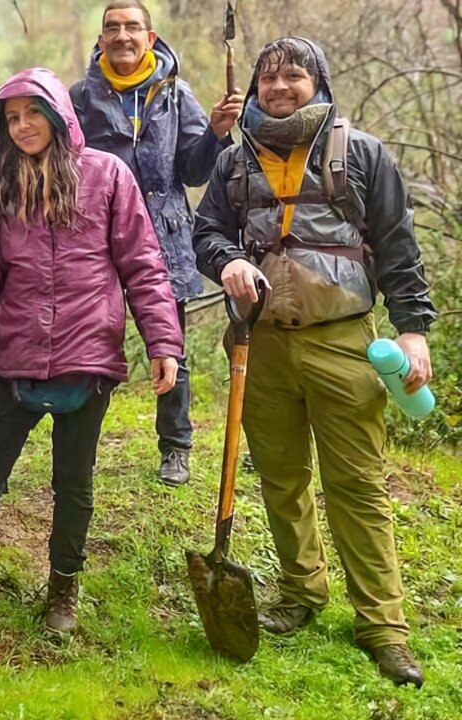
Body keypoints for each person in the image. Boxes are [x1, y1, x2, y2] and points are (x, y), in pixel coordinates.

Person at [193, 37, 435, 687]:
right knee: (281, 477)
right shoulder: (233, 161)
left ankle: (383, 626)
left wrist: (413, 331)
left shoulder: (362, 154)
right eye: (268, 78)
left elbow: (398, 248)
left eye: (294, 75)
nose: (279, 87)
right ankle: (301, 593)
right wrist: (227, 260)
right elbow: (205, 233)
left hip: (344, 341)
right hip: (259, 344)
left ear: (318, 83)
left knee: (356, 483)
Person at [0, 68, 182, 634]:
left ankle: (63, 590)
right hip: (16, 353)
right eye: (11, 118)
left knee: (73, 481)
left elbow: (143, 265)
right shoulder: (1, 193)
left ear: (58, 113)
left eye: (33, 113)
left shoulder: (107, 176)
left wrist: (163, 341)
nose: (23, 126)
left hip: (89, 352)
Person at [69, 0, 244, 487]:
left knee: (171, 344)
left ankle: (176, 446)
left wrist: (215, 133)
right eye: (112, 28)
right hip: (96, 238)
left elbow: (192, 171)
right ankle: (82, 445)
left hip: (164, 236)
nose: (122, 35)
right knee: (90, 345)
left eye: (132, 27)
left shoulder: (175, 94)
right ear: (100, 39)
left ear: (150, 36)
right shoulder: (81, 96)